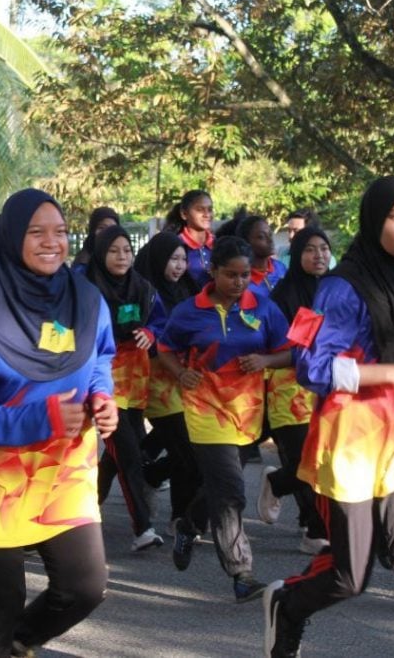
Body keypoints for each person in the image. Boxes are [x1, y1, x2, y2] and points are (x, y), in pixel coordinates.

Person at [263, 176, 394, 658]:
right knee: (350, 576)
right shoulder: (338, 288)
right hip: (352, 440)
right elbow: (311, 367)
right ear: (375, 221)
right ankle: (287, 605)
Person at [0, 189, 117, 658]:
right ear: (12, 239)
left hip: (64, 470)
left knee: (85, 586)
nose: (51, 242)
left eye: (59, 232)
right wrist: (40, 417)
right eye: (36, 233)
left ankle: (23, 640)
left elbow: (98, 359)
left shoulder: (87, 300)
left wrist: (103, 396)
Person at [156, 236, 290, 602]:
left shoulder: (263, 308)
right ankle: (241, 571)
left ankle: (189, 522)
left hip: (247, 412)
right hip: (204, 409)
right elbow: (165, 348)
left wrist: (265, 361)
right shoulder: (189, 310)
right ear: (213, 271)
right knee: (231, 490)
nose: (238, 282)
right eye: (230, 274)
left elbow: (288, 351)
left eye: (245, 275)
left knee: (220, 487)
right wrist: (180, 373)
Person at [86, 225, 165, 551]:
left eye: (127, 251)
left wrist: (151, 332)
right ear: (101, 253)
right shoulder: (86, 289)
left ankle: (82, 512)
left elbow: (162, 320)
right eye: (114, 250)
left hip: (135, 384)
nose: (122, 257)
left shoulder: (143, 288)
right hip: (102, 384)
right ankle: (142, 528)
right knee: (129, 454)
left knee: (120, 455)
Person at [257, 227, 331, 555]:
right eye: (310, 250)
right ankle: (315, 530)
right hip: (290, 390)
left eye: (324, 249)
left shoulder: (336, 290)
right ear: (297, 255)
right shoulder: (285, 297)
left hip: (327, 388)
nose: (319, 256)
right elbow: (298, 349)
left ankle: (279, 484)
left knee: (324, 460)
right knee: (308, 461)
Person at [133, 232, 200, 533]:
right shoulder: (145, 291)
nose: (179, 266)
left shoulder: (189, 289)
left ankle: (157, 484)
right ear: (158, 259)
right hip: (158, 382)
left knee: (184, 451)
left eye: (183, 259)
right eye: (173, 259)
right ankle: (178, 512)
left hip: (188, 382)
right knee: (186, 450)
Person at [163, 189, 214, 288]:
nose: (207, 214)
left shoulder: (220, 244)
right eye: (200, 209)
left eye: (210, 209)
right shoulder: (175, 245)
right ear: (184, 214)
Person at [236, 215, 287, 295]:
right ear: (246, 242)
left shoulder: (281, 268)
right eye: (261, 237)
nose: (270, 240)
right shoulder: (242, 282)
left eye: (270, 235)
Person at [71, 207, 120, 273]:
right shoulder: (82, 265)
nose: (108, 232)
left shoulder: (122, 259)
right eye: (102, 228)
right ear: (92, 231)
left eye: (113, 228)